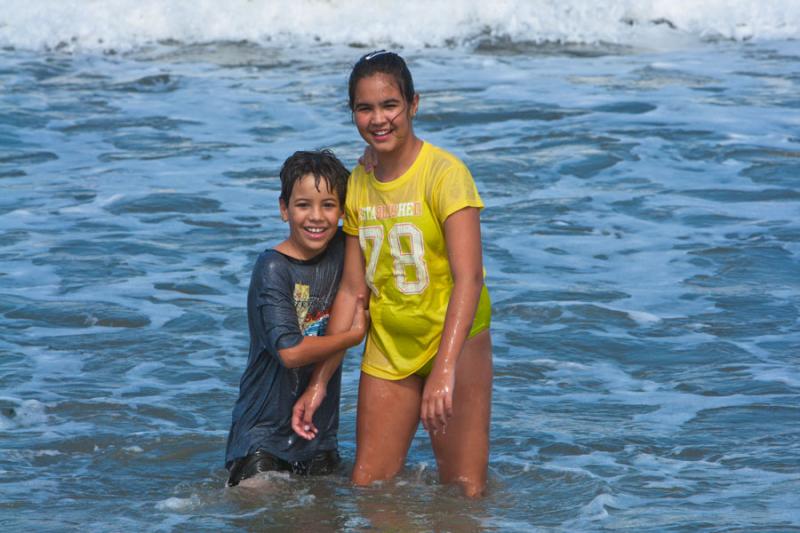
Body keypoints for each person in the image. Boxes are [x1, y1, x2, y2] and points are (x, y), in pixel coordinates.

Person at [291, 50, 493, 498]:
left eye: (390, 105)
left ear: (413, 104)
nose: (378, 119)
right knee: (369, 489)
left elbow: (470, 278)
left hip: (456, 345)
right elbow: (351, 290)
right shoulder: (358, 183)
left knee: (464, 494)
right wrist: (319, 383)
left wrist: (443, 371)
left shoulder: (446, 175)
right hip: (389, 348)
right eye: (365, 108)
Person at [224, 149, 368, 487]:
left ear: (343, 211)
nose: (316, 217)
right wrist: (351, 337)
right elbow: (290, 353)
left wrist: (371, 162)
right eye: (303, 205)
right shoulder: (272, 268)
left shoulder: (346, 249)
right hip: (261, 438)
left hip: (319, 437)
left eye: (328, 205)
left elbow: (377, 199)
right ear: (283, 208)